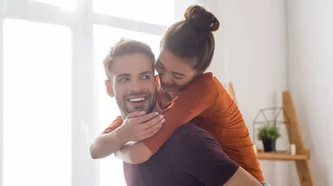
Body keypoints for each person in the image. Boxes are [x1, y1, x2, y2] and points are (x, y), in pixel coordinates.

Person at [90, 5, 266, 183]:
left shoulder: (203, 90)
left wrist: (117, 146)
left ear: (197, 74)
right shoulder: (157, 93)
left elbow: (138, 154)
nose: (165, 80)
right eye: (161, 68)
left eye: (177, 75)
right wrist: (122, 134)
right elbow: (97, 147)